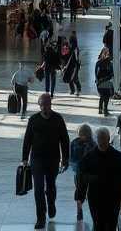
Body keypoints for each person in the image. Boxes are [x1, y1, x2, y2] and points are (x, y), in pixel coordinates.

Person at [21, 94, 70, 229]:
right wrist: (24, 158)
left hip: (53, 158)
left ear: (50, 105)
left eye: (47, 105)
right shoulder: (34, 120)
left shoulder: (58, 120)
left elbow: (65, 140)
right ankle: (40, 217)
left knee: (50, 186)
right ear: (39, 105)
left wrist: (65, 158)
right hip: (36, 159)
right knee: (38, 188)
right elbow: (27, 139)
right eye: (43, 105)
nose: (45, 108)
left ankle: (51, 202)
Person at [76, 127, 121, 231]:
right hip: (96, 196)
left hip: (113, 196)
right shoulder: (89, 156)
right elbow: (82, 177)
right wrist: (80, 197)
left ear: (108, 138)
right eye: (99, 139)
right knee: (98, 224)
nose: (101, 141)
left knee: (111, 224)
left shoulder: (117, 156)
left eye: (103, 138)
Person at [69, 124, 96, 221]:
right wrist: (76, 168)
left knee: (86, 191)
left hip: (88, 171)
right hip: (79, 170)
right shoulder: (74, 143)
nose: (83, 137)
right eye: (82, 135)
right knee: (79, 190)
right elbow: (71, 158)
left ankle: (84, 208)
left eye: (85, 135)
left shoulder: (92, 144)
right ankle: (79, 210)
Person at [95, 48, 115, 116]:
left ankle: (100, 109)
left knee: (101, 96)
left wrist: (97, 79)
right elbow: (112, 74)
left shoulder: (98, 62)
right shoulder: (109, 63)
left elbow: (96, 73)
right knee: (106, 97)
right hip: (107, 82)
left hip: (99, 82)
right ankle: (105, 110)